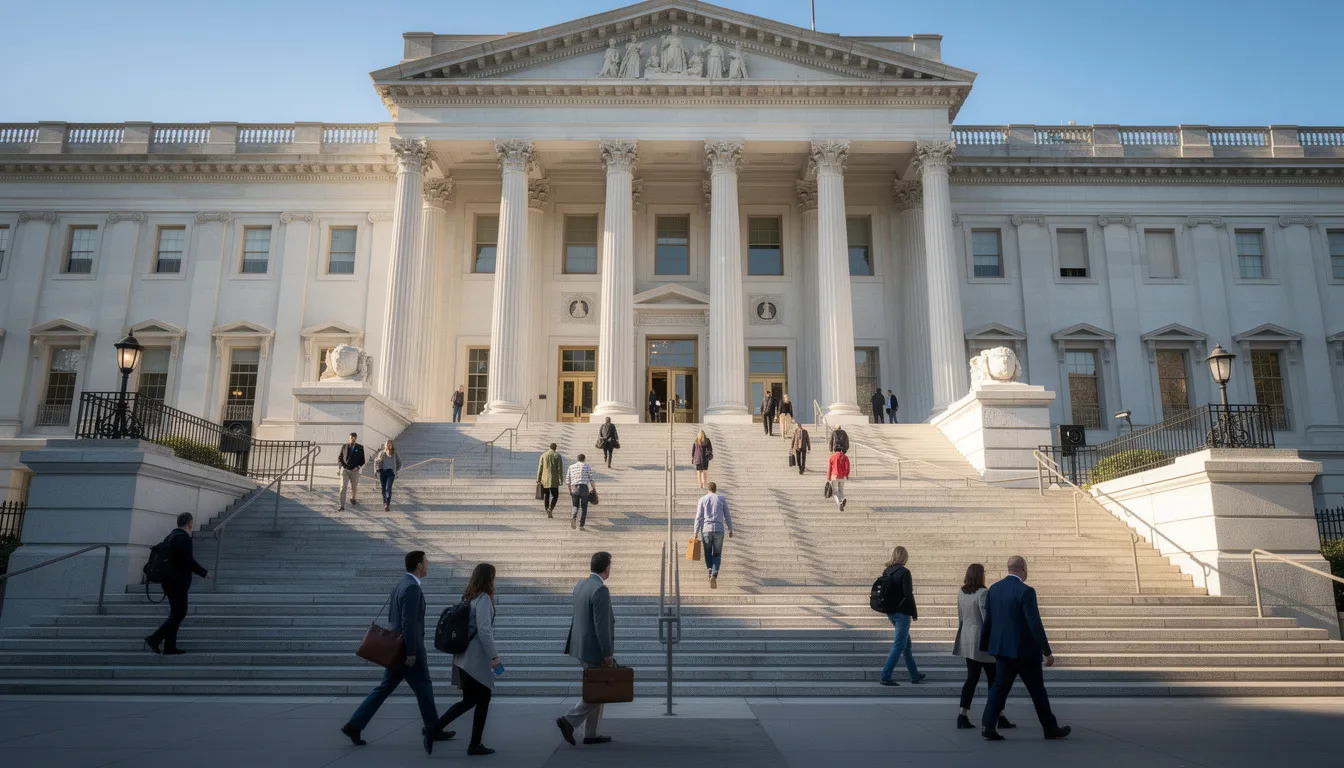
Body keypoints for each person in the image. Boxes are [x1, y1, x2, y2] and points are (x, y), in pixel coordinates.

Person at [342, 551, 446, 756]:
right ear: (418, 565)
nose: (428, 565)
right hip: (408, 647)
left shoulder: (401, 584)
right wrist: (412, 651)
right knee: (423, 686)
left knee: (385, 687)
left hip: (396, 647)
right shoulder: (412, 588)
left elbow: (394, 618)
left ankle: (354, 724)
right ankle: (434, 728)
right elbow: (408, 622)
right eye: (426, 562)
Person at [979, 555, 1071, 741]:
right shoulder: (1026, 591)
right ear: (1023, 569)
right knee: (1037, 691)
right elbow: (1034, 623)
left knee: (998, 688)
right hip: (1025, 652)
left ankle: (988, 725)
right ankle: (1050, 728)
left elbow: (989, 620)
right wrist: (1047, 651)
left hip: (1003, 650)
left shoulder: (994, 590)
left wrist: (986, 644)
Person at [429, 563, 500, 756]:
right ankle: (474, 744)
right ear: (488, 579)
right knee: (483, 698)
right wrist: (494, 656)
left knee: (469, 700)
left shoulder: (469, 597)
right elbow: (484, 630)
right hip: (475, 660)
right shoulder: (484, 599)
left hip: (462, 658)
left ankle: (435, 728)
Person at [556, 551, 617, 747]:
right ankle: (569, 720)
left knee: (596, 688)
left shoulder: (581, 585)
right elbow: (602, 625)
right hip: (594, 649)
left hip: (580, 646)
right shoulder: (600, 590)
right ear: (607, 568)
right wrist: (607, 653)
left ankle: (591, 733)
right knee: (599, 691)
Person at [956, 563, 1015, 730]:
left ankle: (963, 714)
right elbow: (986, 618)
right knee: (995, 680)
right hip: (982, 641)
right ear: (980, 575)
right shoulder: (983, 593)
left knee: (972, 679)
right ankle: (999, 716)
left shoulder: (962, 592)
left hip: (967, 639)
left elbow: (960, 616)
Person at [144, 512, 208, 656]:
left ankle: (170, 646)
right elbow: (188, 561)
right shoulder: (184, 539)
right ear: (190, 523)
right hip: (178, 582)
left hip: (168, 581)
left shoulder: (171, 536)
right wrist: (204, 572)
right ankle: (155, 638)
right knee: (180, 613)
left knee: (176, 613)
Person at [878, 546, 927, 686]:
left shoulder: (887, 571)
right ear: (904, 557)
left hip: (891, 613)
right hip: (902, 614)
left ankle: (914, 675)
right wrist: (914, 613)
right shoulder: (905, 572)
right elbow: (908, 594)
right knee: (900, 645)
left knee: (906, 644)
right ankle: (885, 676)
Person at [694, 482, 734, 588]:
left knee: (707, 554)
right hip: (719, 530)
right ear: (716, 489)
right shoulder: (722, 499)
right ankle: (714, 574)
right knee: (717, 554)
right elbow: (727, 515)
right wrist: (730, 529)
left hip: (706, 529)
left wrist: (696, 532)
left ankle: (710, 571)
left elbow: (698, 517)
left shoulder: (702, 499)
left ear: (708, 489)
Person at [566, 453, 597, 530]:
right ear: (584, 459)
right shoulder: (587, 466)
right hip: (584, 488)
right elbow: (591, 480)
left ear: (577, 459)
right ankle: (581, 525)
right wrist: (594, 489)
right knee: (584, 507)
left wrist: (570, 491)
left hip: (575, 488)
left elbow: (567, 481)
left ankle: (573, 517)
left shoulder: (571, 467)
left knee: (575, 505)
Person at [337, 432, 366, 511]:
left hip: (354, 470)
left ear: (356, 439)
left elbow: (362, 461)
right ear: (348, 438)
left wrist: (358, 467)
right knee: (343, 487)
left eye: (354, 438)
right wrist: (342, 466)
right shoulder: (344, 446)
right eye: (351, 438)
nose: (352, 439)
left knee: (354, 487)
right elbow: (340, 458)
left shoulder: (360, 447)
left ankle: (353, 498)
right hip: (345, 470)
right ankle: (341, 505)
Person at [537, 442, 563, 519]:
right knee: (555, 496)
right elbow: (560, 469)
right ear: (555, 447)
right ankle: (551, 508)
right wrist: (561, 479)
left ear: (550, 447)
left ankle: (547, 509)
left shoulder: (543, 455)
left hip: (544, 480)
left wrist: (538, 478)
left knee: (546, 496)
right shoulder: (557, 455)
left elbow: (540, 468)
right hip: (554, 480)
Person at [374, 439, 401, 512]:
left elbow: (399, 463)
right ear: (385, 445)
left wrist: (395, 470)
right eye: (387, 444)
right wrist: (376, 471)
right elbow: (376, 462)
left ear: (392, 445)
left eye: (390, 444)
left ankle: (387, 504)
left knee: (388, 488)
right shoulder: (381, 453)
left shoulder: (394, 453)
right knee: (383, 489)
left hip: (390, 473)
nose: (388, 445)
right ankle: (385, 503)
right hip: (382, 472)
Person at [827, 446, 850, 511]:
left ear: (834, 450)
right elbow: (847, 467)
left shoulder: (832, 457)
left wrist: (828, 477)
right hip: (842, 476)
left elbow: (829, 468)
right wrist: (846, 474)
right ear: (840, 450)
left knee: (835, 491)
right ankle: (842, 500)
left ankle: (840, 503)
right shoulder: (845, 457)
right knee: (841, 490)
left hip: (834, 476)